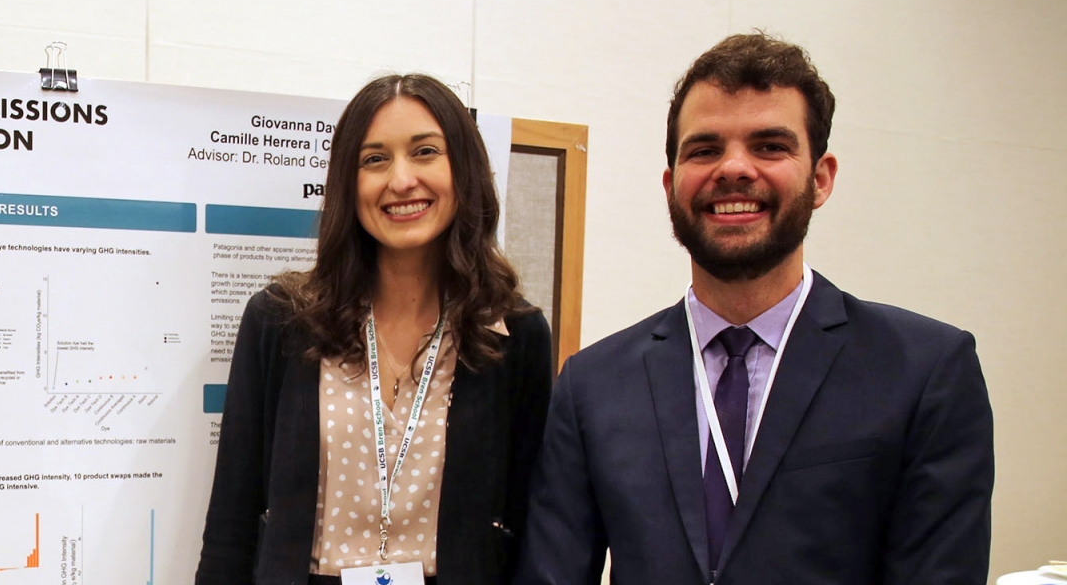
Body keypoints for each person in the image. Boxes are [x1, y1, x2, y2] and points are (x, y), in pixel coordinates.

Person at [516, 33, 993, 585]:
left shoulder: (924, 371)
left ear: (820, 179)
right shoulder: (592, 385)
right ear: (672, 185)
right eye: (705, 149)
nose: (734, 169)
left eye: (769, 146)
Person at [198, 74, 554, 585]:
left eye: (425, 151)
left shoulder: (514, 335)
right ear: (349, 181)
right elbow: (232, 523)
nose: (401, 179)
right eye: (374, 159)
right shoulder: (281, 321)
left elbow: (530, 527)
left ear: (465, 170)